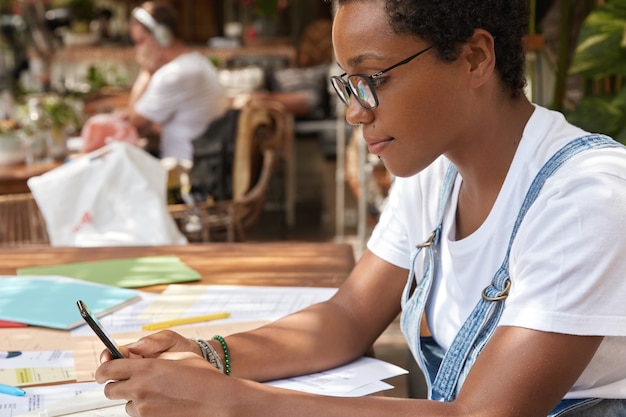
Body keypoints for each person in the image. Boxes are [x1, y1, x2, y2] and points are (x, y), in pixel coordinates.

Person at [95, 0, 626, 416]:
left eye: (373, 78)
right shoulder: (438, 173)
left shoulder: (585, 197)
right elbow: (348, 316)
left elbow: (485, 413)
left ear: (475, 58)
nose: (354, 112)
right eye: (348, 83)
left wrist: (231, 403)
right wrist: (207, 355)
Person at [124, 1, 229, 161]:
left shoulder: (173, 74)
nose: (137, 49)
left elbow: (133, 122)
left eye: (140, 41)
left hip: (184, 174)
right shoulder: (197, 62)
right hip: (204, 164)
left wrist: (146, 71)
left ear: (161, 36)